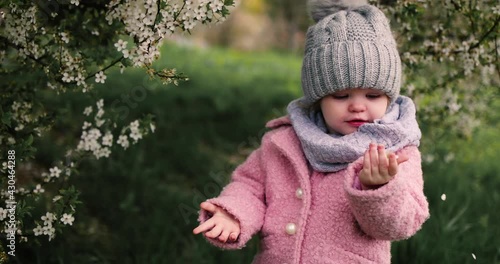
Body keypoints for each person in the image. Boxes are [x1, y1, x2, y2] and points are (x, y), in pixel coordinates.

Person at [193, 0, 430, 263]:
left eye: (373, 95)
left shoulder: (395, 152)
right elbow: (250, 186)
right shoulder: (284, 142)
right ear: (318, 99)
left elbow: (402, 225)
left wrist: (379, 188)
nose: (357, 106)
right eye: (341, 96)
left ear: (389, 98)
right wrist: (234, 213)